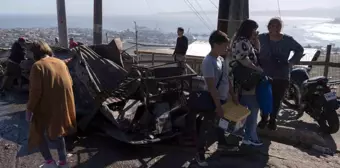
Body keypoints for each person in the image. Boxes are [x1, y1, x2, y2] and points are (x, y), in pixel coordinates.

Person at [26, 41, 76, 168]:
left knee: (37, 132)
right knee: (58, 133)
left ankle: (49, 162)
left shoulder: (37, 66)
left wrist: (29, 109)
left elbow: (35, 92)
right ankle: (63, 162)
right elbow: (70, 82)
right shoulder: (60, 62)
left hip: (44, 107)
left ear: (34, 53)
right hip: (61, 106)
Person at [195, 30, 238, 167]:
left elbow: (227, 79)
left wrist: (233, 95)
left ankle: (222, 144)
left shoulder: (220, 59)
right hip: (212, 100)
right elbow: (211, 86)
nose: (227, 48)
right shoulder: (209, 61)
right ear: (215, 44)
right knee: (206, 126)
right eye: (224, 45)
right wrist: (218, 106)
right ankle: (199, 153)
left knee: (221, 124)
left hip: (223, 99)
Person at [258, 17, 304, 130]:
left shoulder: (288, 40)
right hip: (264, 74)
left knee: (277, 99)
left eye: (277, 25)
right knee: (265, 98)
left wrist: (291, 62)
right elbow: (250, 46)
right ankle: (264, 118)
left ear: (281, 27)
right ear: (268, 26)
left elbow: (299, 49)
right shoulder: (261, 38)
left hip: (282, 75)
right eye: (272, 25)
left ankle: (273, 120)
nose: (275, 28)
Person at [231, 19, 264, 146]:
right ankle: (251, 136)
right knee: (253, 108)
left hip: (245, 81)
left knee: (247, 108)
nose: (255, 32)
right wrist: (258, 69)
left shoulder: (244, 41)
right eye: (254, 29)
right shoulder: (242, 41)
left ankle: (244, 135)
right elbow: (243, 59)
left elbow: (256, 53)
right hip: (247, 81)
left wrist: (256, 41)